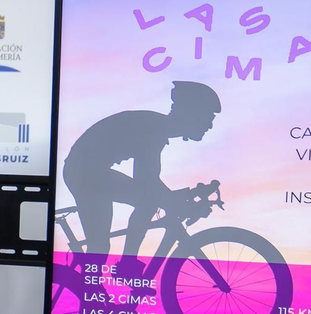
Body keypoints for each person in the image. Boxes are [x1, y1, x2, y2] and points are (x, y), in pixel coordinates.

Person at [62, 80, 222, 267]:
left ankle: (125, 265)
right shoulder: (153, 130)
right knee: (100, 245)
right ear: (192, 115)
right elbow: (147, 182)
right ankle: (124, 266)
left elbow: (148, 183)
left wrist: (180, 198)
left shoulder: (156, 127)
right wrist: (177, 202)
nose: (210, 126)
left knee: (147, 202)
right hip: (85, 173)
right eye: (207, 118)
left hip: (87, 170)